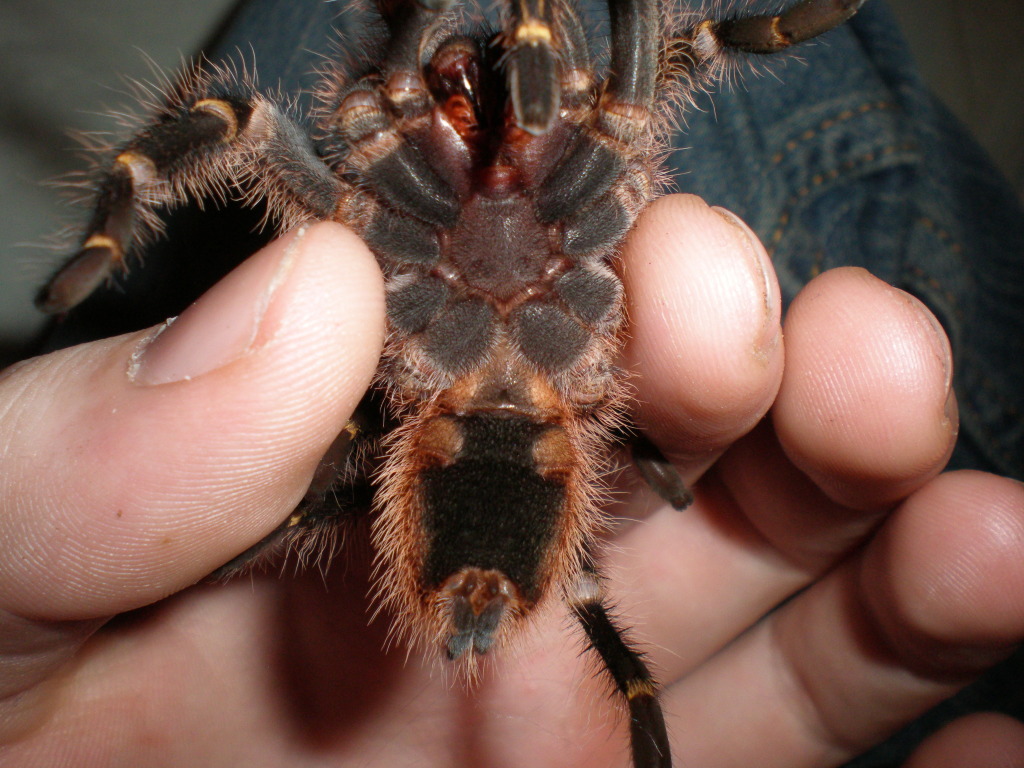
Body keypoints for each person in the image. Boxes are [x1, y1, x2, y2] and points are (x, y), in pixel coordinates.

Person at [1, 1, 1022, 766]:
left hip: (451, 391)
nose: (477, 96)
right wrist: (126, 200)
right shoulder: (560, 139)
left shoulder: (507, 144)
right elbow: (243, 128)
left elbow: (694, 47)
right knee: (250, 116)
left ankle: (617, 670)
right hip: (529, 404)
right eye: (454, 81)